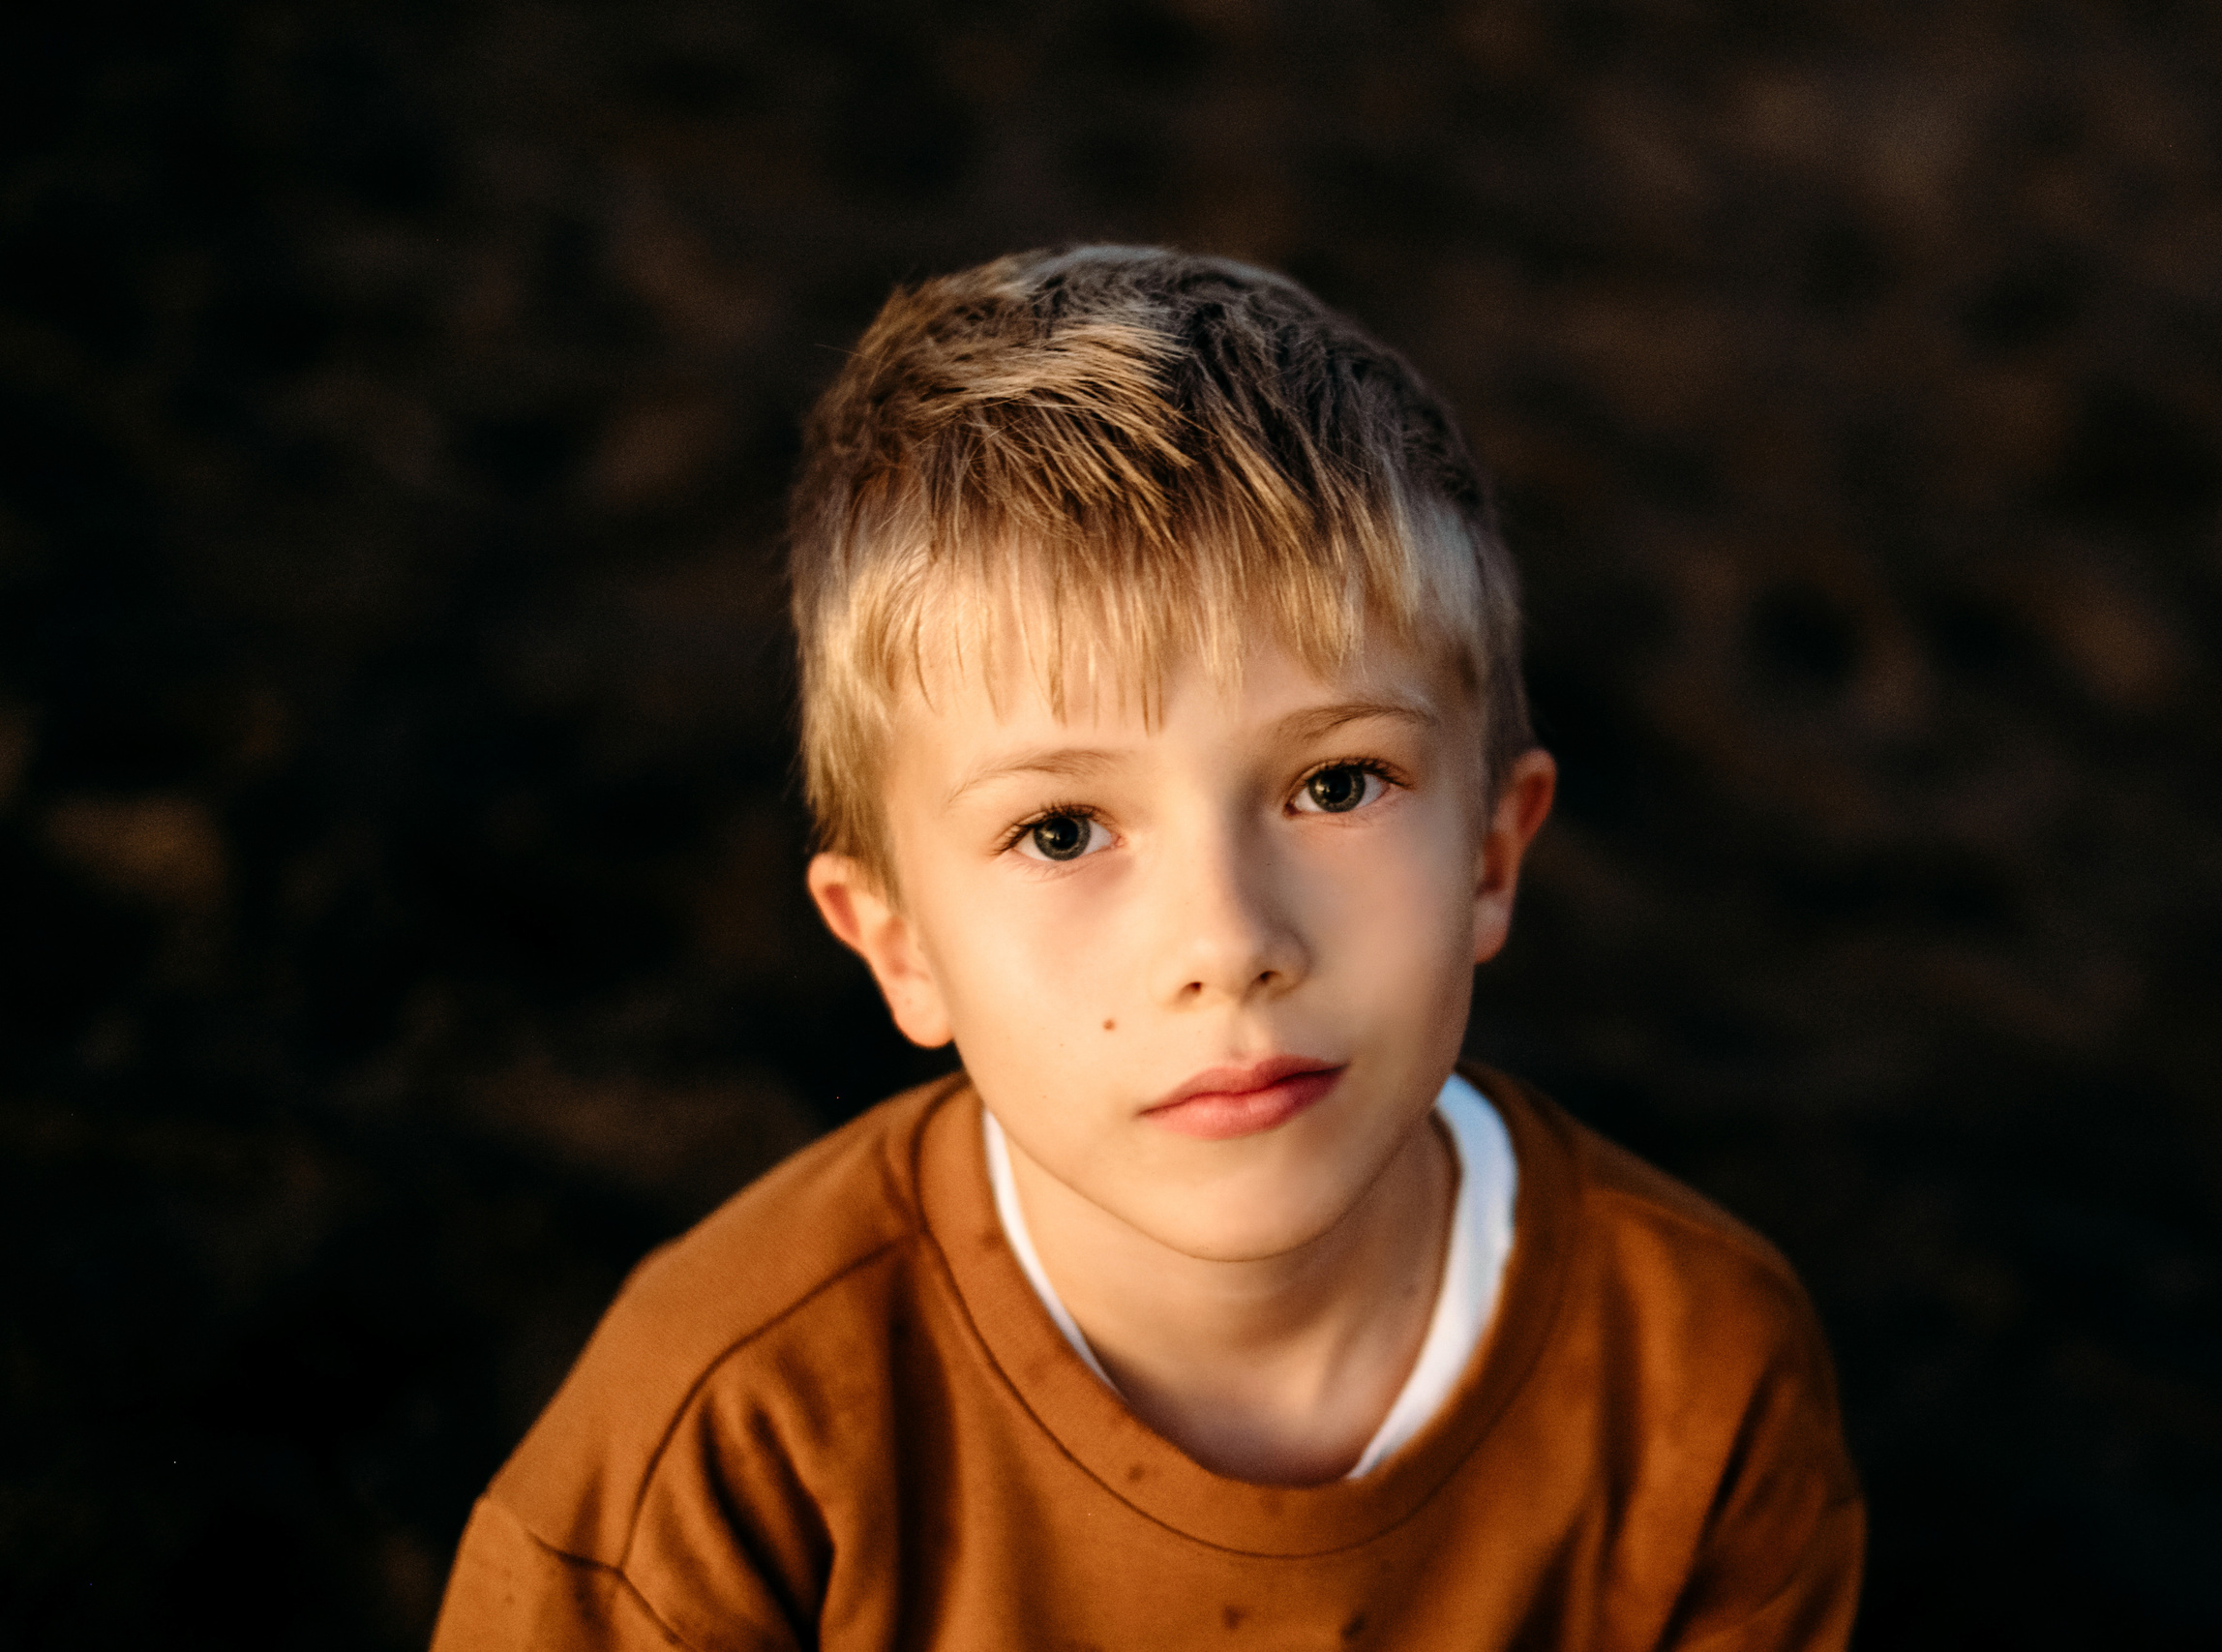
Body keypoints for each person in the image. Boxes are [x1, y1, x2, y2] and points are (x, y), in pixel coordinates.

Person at [430, 246, 1864, 1650]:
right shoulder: (729, 1430)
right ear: (899, 945)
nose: (1227, 944)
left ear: (1493, 853)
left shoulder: (1700, 1375)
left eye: (1337, 784)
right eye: (1062, 830)